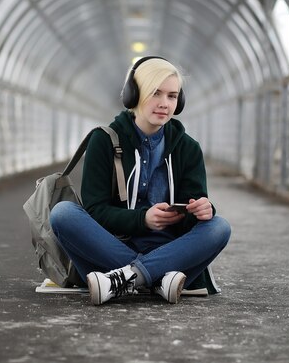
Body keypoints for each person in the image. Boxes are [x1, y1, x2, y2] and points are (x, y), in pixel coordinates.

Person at [50, 56, 231, 306]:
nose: (164, 104)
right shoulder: (103, 141)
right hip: (112, 247)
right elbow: (95, 211)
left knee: (219, 226)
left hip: (169, 250)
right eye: (156, 93)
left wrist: (202, 210)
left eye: (172, 96)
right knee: (62, 213)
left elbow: (193, 212)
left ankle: (123, 279)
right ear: (133, 95)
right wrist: (143, 219)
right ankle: (156, 281)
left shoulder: (188, 149)